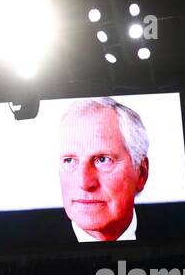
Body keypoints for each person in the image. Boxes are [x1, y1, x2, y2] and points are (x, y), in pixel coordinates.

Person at [58, 97, 149, 242]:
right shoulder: (25, 242)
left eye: (103, 160)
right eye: (69, 160)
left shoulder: (178, 231)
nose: (84, 183)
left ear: (141, 173)